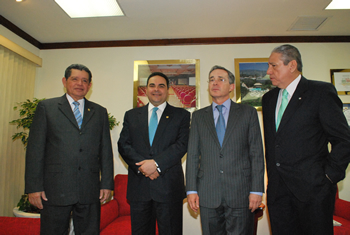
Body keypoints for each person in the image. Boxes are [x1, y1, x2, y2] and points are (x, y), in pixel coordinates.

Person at [262, 44, 350, 235]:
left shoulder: (320, 92)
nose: (268, 71)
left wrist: (328, 177)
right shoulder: (268, 99)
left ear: (292, 65)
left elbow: (343, 139)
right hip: (278, 193)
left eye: (273, 65)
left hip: (314, 191)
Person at [25, 64, 114, 234]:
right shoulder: (47, 108)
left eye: (85, 81)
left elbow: (105, 151)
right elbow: (35, 150)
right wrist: (33, 187)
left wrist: (107, 183)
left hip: (89, 189)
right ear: (65, 81)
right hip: (54, 189)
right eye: (75, 79)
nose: (80, 84)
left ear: (89, 85)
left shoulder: (99, 112)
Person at [186, 65, 264, 235]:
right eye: (212, 79)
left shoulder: (247, 113)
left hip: (241, 193)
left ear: (231, 87)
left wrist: (257, 190)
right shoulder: (198, 117)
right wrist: (191, 190)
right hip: (208, 194)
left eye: (221, 79)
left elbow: (256, 153)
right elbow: (192, 155)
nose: (215, 83)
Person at [118, 72, 190, 235]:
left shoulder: (182, 115)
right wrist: (144, 167)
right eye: (152, 85)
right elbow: (123, 145)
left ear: (168, 90)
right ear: (145, 90)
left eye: (161, 86)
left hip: (169, 189)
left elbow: (181, 145)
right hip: (139, 188)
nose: (156, 89)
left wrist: (156, 164)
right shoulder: (131, 115)